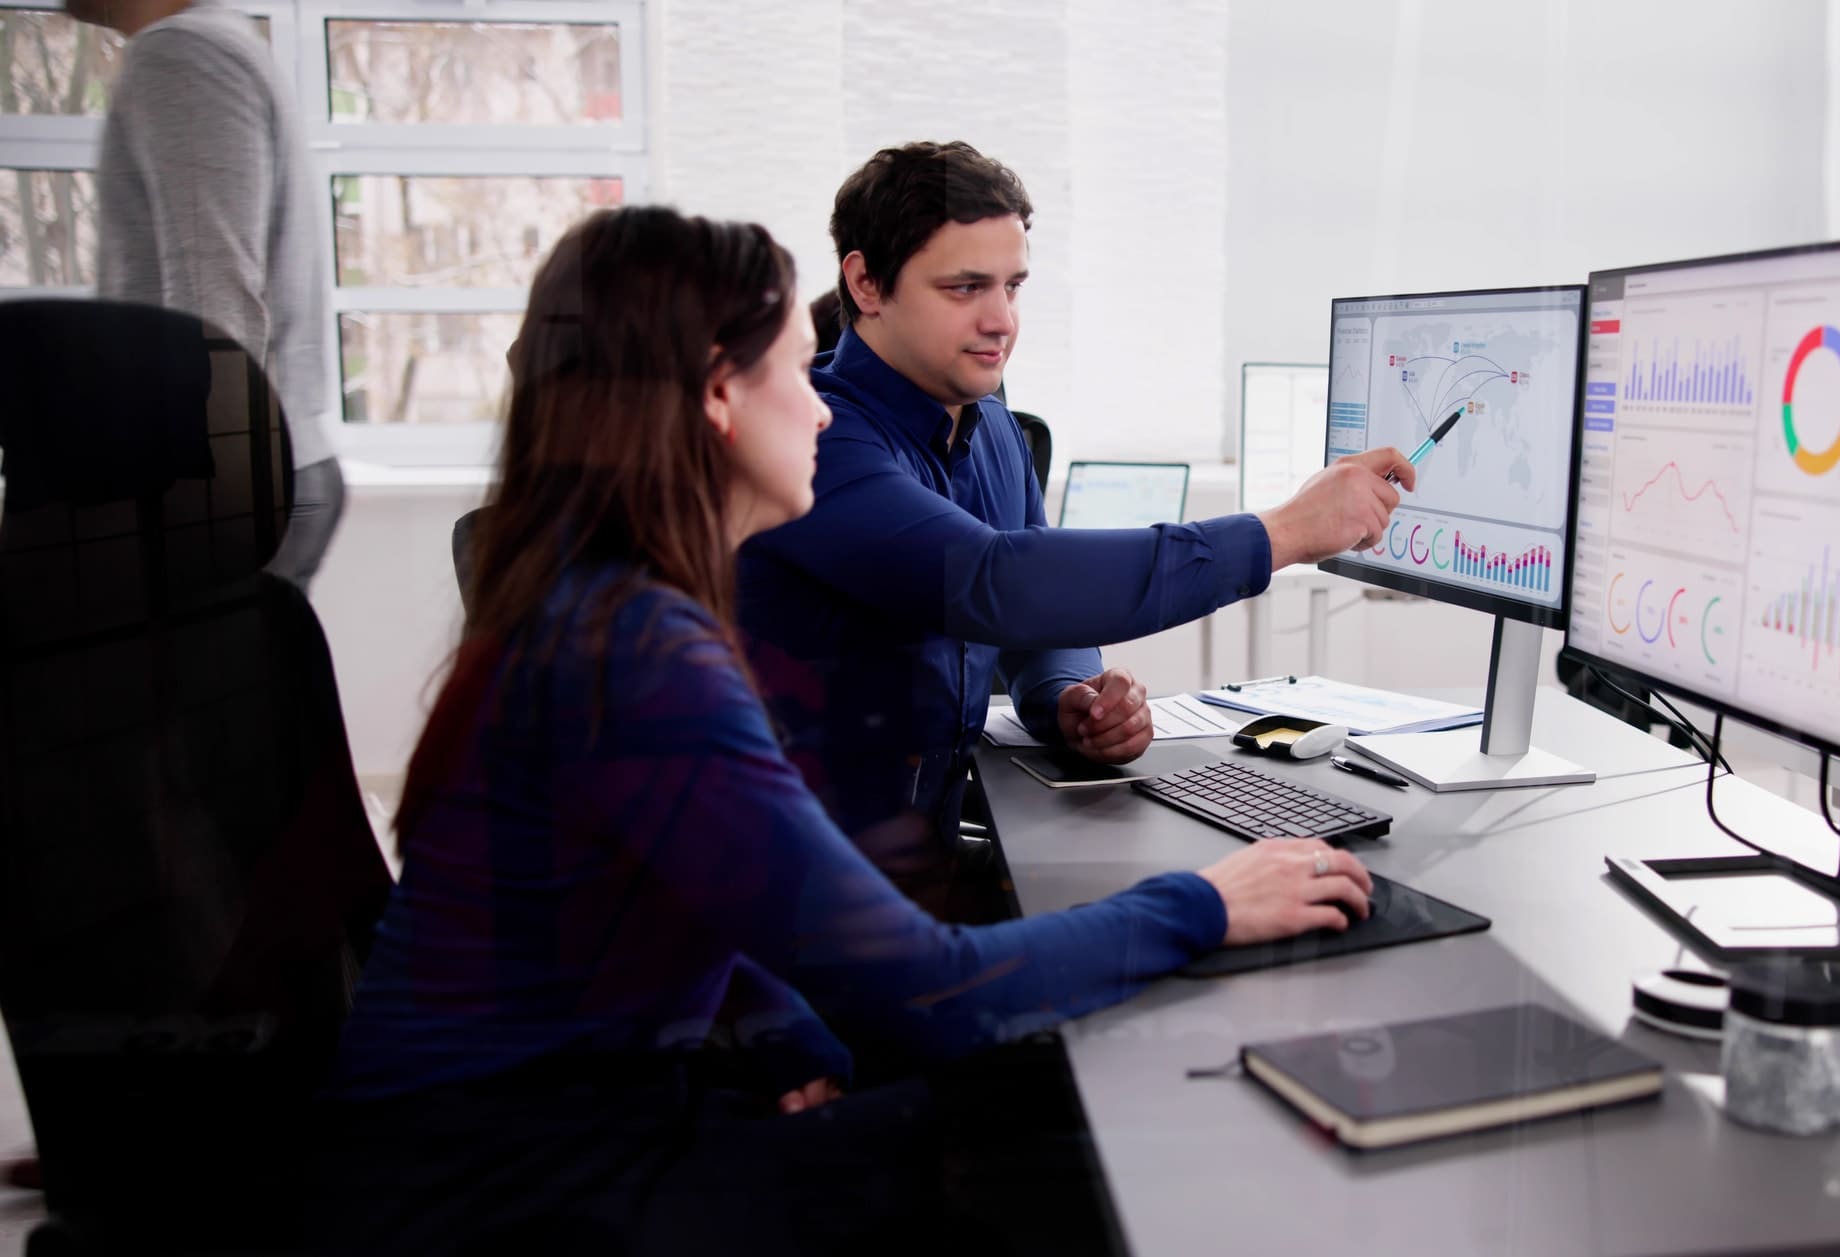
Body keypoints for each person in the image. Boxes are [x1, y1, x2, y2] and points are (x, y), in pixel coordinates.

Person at [312, 205, 1373, 1254]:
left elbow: (691, 890)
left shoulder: (607, 606)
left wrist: (785, 1034)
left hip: (557, 1131)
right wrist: (1204, 901)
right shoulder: (636, 654)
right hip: (516, 1196)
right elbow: (931, 992)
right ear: (719, 397)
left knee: (1062, 1087)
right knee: (1116, 1120)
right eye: (794, 372)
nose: (820, 411)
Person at [738, 140, 1415, 844]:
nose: (1002, 319)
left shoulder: (993, 426)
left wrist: (1065, 698)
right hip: (800, 884)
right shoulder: (812, 437)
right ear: (867, 284)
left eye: (1013, 285)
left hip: (918, 862)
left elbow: (1035, 627)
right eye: (965, 287)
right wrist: (1283, 532)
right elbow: (996, 582)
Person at [68, 0, 344, 589]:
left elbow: (215, 297)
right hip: (249, 471)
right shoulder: (214, 43)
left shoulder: (184, 53)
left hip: (222, 484)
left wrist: (199, 507)